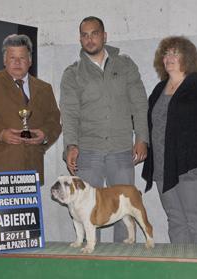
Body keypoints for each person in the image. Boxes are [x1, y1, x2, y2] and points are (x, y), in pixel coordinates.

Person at [0, 34, 61, 256]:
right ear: (4, 60)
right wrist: (0, 134)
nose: (17, 62)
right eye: (12, 58)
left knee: (23, 237)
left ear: (30, 60)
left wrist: (44, 136)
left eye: (22, 57)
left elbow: (54, 121)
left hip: (28, 171)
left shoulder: (44, 88)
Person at [60, 16, 149, 243]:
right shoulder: (72, 74)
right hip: (87, 152)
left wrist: (142, 138)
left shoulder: (125, 65)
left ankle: (124, 260)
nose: (90, 39)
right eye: (85, 35)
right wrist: (71, 145)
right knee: (86, 211)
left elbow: (139, 103)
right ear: (80, 39)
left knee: (125, 211)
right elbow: (69, 113)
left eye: (95, 33)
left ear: (104, 36)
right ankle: (93, 263)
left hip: (121, 149)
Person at [142, 36, 197, 245]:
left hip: (193, 165)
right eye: (166, 53)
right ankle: (182, 268)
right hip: (164, 167)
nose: (169, 57)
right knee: (176, 220)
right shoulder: (159, 89)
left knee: (196, 219)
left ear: (187, 58)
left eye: (175, 53)